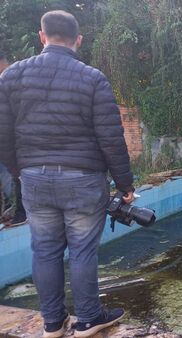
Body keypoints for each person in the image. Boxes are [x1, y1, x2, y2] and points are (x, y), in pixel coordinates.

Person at [0, 10, 135, 337]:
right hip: (84, 180)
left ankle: (52, 323)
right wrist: (125, 184)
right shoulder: (92, 78)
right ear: (78, 40)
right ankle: (88, 319)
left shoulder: (11, 77)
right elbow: (111, 138)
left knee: (44, 250)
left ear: (42, 36)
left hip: (34, 179)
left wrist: (21, 172)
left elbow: (3, 136)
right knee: (82, 251)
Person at [0, 49, 28, 226]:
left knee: (17, 177)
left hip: (16, 142)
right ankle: (12, 211)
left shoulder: (15, 79)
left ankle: (20, 212)